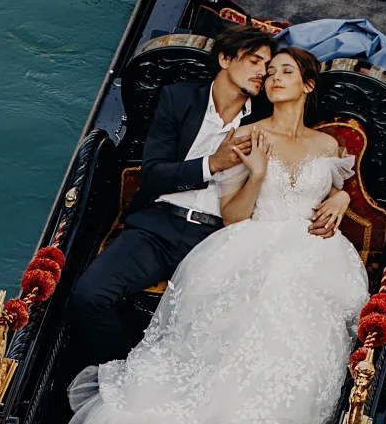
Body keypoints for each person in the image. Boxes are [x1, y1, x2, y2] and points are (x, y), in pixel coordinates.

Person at [66, 46, 367, 424]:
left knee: (301, 302)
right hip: (248, 240)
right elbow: (234, 215)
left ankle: (272, 415)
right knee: (269, 286)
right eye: (267, 69)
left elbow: (332, 187)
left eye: (283, 72)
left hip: (313, 253)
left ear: (306, 84)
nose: (272, 78)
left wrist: (342, 195)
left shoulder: (330, 145)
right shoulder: (251, 136)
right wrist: (253, 173)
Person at [67, 27, 272, 366]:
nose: (262, 72)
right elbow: (154, 174)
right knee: (89, 297)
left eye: (266, 65)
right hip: (158, 228)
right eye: (254, 61)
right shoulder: (178, 98)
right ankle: (122, 373)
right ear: (225, 59)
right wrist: (213, 163)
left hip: (220, 239)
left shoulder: (266, 116)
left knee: (223, 329)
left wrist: (337, 195)